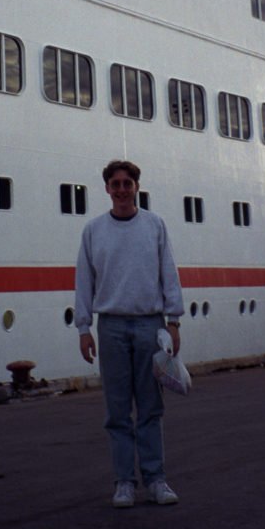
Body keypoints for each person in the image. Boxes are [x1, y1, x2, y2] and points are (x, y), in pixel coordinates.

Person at [75, 159, 184, 508]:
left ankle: (156, 480)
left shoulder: (154, 225)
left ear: (137, 186)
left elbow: (169, 272)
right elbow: (83, 281)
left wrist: (174, 320)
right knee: (117, 410)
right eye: (115, 183)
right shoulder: (93, 230)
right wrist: (83, 327)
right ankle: (124, 482)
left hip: (150, 324)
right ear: (107, 188)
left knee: (151, 407)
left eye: (127, 183)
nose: (121, 189)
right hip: (111, 326)